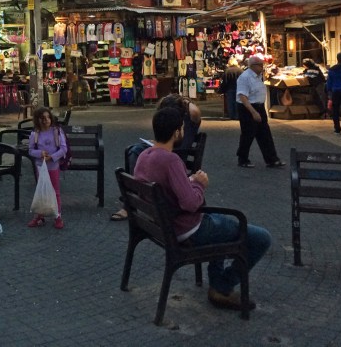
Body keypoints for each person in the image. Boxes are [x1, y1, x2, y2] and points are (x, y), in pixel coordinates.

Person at [133, 106, 272, 310]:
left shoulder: (144, 156)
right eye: (182, 128)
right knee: (261, 238)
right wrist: (199, 184)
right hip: (188, 229)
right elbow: (191, 204)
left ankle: (217, 282)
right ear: (176, 132)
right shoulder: (171, 160)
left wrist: (187, 181)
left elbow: (166, 190)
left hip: (163, 226)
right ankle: (222, 286)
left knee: (221, 225)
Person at [110, 94, 202, 222]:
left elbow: (195, 111)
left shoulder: (189, 120)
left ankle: (132, 199)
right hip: (162, 151)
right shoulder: (170, 123)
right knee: (134, 150)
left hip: (174, 156)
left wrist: (184, 101)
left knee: (137, 151)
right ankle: (134, 195)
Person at [236, 55, 285, 169]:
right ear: (253, 66)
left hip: (259, 106)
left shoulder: (259, 76)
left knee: (265, 133)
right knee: (248, 134)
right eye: (260, 65)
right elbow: (243, 96)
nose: (262, 67)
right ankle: (242, 159)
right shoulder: (245, 77)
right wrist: (253, 112)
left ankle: (272, 159)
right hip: (248, 108)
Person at [27, 106, 68, 230]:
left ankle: (57, 216)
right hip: (40, 166)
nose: (46, 120)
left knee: (55, 191)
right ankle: (40, 215)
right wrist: (40, 154)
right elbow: (30, 150)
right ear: (37, 120)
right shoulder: (35, 134)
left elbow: (63, 148)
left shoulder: (57, 132)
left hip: (53, 165)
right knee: (41, 190)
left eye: (48, 117)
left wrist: (53, 156)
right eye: (42, 118)